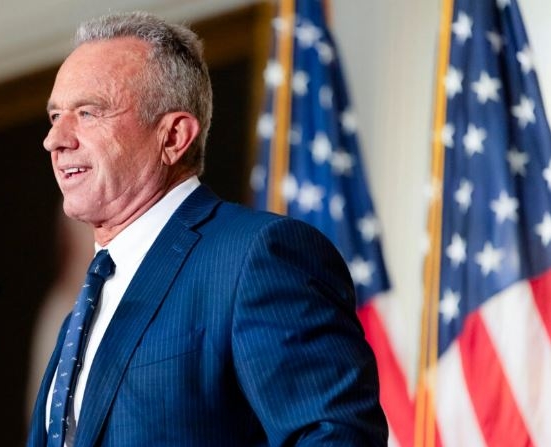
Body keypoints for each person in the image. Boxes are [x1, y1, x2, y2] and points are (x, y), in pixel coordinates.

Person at [27, 11, 387, 447]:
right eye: (54, 117)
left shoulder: (256, 258)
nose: (55, 140)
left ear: (174, 136)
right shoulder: (82, 312)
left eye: (87, 112)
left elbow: (333, 436)